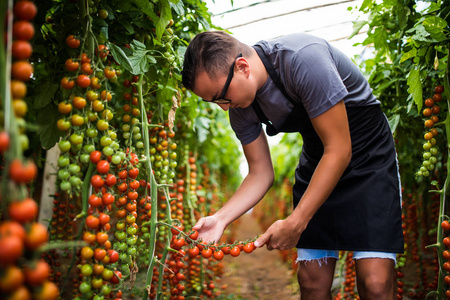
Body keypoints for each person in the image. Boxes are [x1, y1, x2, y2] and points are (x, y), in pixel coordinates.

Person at [181, 31, 404, 299]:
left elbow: (340, 149)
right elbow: (260, 173)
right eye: (214, 101)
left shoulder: (303, 60)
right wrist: (221, 219)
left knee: (375, 284)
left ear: (242, 67)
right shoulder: (241, 109)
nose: (225, 108)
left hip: (368, 158)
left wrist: (297, 221)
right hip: (319, 156)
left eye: (222, 96)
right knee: (312, 282)